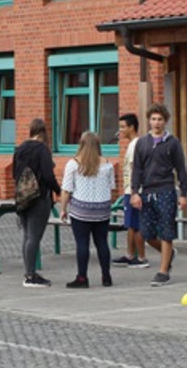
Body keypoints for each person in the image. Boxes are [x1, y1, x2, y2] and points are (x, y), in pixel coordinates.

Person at [130, 104, 187, 287]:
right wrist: (134, 192)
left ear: (165, 121)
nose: (156, 123)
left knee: (166, 231)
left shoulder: (172, 142)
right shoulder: (142, 143)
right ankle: (169, 253)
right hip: (147, 191)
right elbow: (137, 169)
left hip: (166, 190)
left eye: (160, 119)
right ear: (149, 121)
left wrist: (183, 194)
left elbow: (181, 169)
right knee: (146, 233)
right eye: (153, 119)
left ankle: (163, 271)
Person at [61, 131, 115, 289]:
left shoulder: (74, 164)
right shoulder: (107, 164)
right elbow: (111, 187)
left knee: (82, 243)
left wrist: (63, 209)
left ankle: (82, 277)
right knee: (102, 243)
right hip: (102, 209)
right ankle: (106, 275)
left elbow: (66, 189)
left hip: (81, 209)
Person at [12, 118, 61, 288]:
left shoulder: (19, 149)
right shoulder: (42, 150)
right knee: (34, 236)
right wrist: (58, 190)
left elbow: (14, 174)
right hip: (39, 198)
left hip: (23, 198)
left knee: (27, 235)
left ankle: (29, 271)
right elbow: (48, 175)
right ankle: (30, 275)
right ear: (43, 133)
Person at [111, 113, 148, 268]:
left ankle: (141, 257)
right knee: (130, 224)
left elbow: (136, 170)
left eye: (123, 127)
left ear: (132, 127)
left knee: (136, 224)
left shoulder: (136, 145)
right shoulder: (132, 144)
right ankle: (130, 254)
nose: (120, 130)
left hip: (133, 191)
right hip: (129, 190)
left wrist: (134, 192)